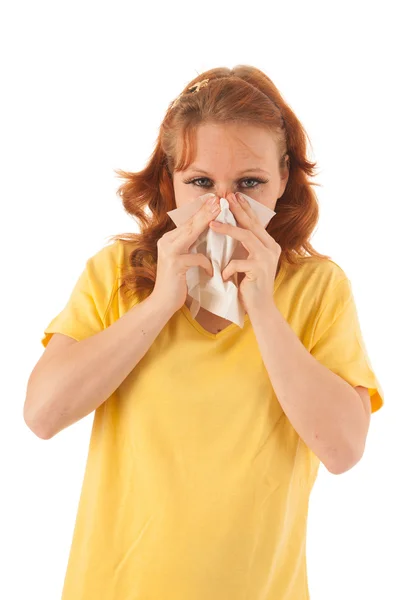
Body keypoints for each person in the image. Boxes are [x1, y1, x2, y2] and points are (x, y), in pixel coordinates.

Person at [24, 65, 384, 599]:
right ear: (170, 180)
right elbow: (43, 416)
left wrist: (263, 307)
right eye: (200, 183)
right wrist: (160, 303)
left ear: (282, 179)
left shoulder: (319, 289)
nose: (222, 206)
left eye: (249, 183)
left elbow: (343, 450)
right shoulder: (115, 272)